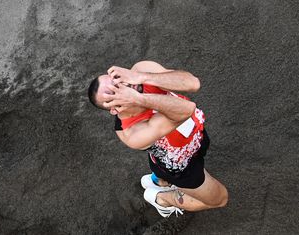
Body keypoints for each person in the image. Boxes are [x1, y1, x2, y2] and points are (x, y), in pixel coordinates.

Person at [87, 61, 228, 217]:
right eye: (115, 92)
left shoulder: (140, 71)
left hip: (196, 137)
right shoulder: (132, 133)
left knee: (195, 149)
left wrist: (142, 76)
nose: (123, 86)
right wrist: (139, 98)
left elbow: (192, 83)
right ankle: (161, 199)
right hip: (183, 168)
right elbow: (187, 109)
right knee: (220, 199)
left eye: (116, 81)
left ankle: (157, 180)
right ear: (114, 109)